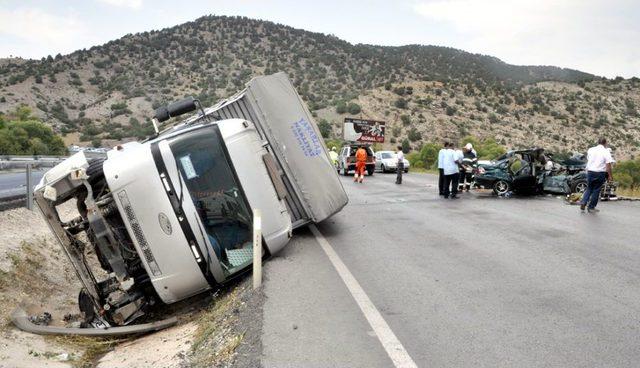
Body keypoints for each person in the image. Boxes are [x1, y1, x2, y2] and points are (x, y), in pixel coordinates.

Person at [580, 138, 614, 213]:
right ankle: (591, 207)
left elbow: (589, 159)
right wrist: (610, 175)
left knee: (589, 188)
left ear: (598, 142)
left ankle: (583, 202)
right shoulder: (606, 151)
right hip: (600, 173)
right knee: (596, 190)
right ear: (605, 143)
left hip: (590, 172)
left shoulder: (591, 149)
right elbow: (608, 164)